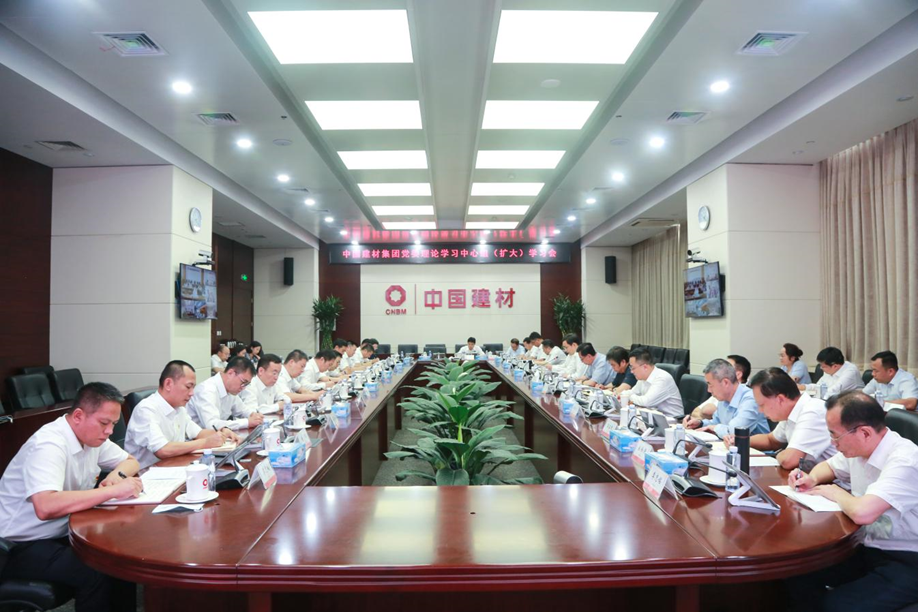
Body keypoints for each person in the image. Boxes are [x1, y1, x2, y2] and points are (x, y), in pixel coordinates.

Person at [0, 382, 142, 612]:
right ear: (78, 416)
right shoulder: (49, 444)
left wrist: (116, 477)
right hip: (17, 544)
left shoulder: (92, 438)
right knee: (96, 571)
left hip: (60, 532)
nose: (109, 431)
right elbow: (45, 506)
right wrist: (111, 491)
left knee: (120, 558)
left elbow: (131, 461)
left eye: (114, 424)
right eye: (104, 423)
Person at [786, 391, 918, 612]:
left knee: (838, 605)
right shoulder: (861, 447)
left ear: (864, 432)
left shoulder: (905, 461)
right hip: (868, 546)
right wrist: (812, 478)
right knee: (798, 572)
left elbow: (863, 512)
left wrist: (834, 492)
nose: (832, 443)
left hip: (907, 559)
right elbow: (829, 466)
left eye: (835, 436)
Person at [125, 361, 231, 469]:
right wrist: (205, 443)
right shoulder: (146, 409)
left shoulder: (179, 409)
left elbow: (198, 433)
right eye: (188, 387)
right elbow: (162, 450)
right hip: (146, 474)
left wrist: (223, 433)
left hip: (173, 468)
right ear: (168, 384)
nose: (192, 393)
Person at [725, 367, 836, 470]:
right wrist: (740, 441)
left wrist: (779, 454)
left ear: (780, 399)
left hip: (836, 482)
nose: (760, 410)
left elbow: (789, 460)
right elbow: (771, 440)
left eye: (762, 405)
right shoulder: (791, 411)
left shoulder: (812, 412)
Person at [683, 359, 769, 437]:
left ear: (725, 383)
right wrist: (700, 423)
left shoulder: (750, 399)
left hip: (755, 449)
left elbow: (735, 432)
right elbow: (716, 422)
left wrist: (715, 428)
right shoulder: (724, 398)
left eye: (710, 385)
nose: (708, 390)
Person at [187, 356, 264, 431]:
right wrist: (247, 422)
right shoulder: (206, 390)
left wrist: (254, 415)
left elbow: (243, 410)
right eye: (243, 382)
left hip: (215, 436)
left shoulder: (230, 390)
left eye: (246, 384)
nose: (243, 388)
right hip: (194, 438)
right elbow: (212, 425)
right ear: (230, 373)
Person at [627, 347, 684, 418]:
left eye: (633, 368)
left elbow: (646, 402)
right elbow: (632, 392)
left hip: (672, 420)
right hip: (654, 416)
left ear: (645, 367)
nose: (631, 371)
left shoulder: (662, 378)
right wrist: (622, 394)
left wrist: (629, 396)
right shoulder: (642, 378)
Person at [691, 354, 751, 421]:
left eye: (728, 367)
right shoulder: (723, 395)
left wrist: (714, 425)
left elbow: (736, 427)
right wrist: (700, 423)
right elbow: (715, 421)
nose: (708, 390)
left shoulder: (749, 398)